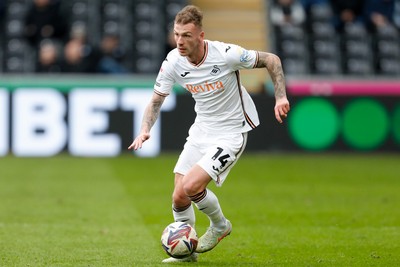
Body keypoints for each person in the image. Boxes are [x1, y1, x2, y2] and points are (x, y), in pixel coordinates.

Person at [128, 5, 290, 263]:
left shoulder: (226, 54)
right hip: (201, 130)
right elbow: (157, 99)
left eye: (187, 35)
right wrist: (145, 129)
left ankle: (219, 226)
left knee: (192, 186)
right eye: (177, 34)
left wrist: (280, 97)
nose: (180, 41)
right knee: (179, 195)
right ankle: (186, 255)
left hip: (231, 132)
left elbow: (272, 59)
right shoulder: (172, 61)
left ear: (200, 36)